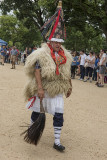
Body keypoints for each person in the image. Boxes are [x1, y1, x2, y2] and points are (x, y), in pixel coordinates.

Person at [24, 1, 72, 152]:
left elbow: (66, 71)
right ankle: (33, 132)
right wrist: (39, 88)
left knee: (59, 114)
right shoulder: (42, 53)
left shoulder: (65, 56)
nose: (58, 44)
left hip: (57, 88)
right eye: (55, 41)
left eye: (60, 42)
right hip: (44, 87)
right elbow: (37, 69)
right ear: (50, 41)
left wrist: (70, 86)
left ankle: (57, 141)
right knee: (37, 111)